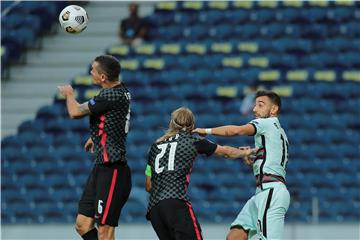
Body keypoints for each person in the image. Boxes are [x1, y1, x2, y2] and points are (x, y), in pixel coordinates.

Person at [144, 107, 257, 240]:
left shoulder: (155, 146)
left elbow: (148, 185)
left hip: (155, 209)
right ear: (192, 125)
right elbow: (226, 152)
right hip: (176, 203)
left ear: (171, 123)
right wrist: (245, 152)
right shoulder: (193, 141)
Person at [193, 91, 290, 240]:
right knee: (234, 237)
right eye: (255, 104)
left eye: (260, 105)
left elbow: (237, 130)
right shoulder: (277, 132)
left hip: (271, 191)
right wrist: (253, 161)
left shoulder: (267, 123)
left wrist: (207, 131)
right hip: (262, 191)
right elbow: (270, 164)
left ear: (274, 109)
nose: (254, 109)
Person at [58, 55, 132, 240]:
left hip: (113, 169)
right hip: (101, 167)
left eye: (93, 70)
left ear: (103, 78)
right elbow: (115, 118)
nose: (90, 72)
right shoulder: (122, 90)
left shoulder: (108, 96)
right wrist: (97, 136)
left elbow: (75, 112)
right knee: (82, 225)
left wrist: (69, 95)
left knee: (105, 231)